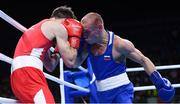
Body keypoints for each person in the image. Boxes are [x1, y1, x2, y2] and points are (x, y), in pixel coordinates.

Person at [74, 12, 175, 103]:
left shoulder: (119, 44)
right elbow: (74, 64)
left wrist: (158, 81)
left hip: (121, 91)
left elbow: (143, 60)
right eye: (83, 32)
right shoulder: (87, 45)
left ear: (99, 28)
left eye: (87, 32)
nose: (84, 36)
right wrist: (70, 47)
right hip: (102, 94)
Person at [10, 6, 83, 103]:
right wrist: (74, 39)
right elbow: (70, 61)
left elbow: (50, 66)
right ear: (67, 21)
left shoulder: (40, 29)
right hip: (29, 73)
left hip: (17, 75)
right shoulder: (58, 27)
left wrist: (57, 50)